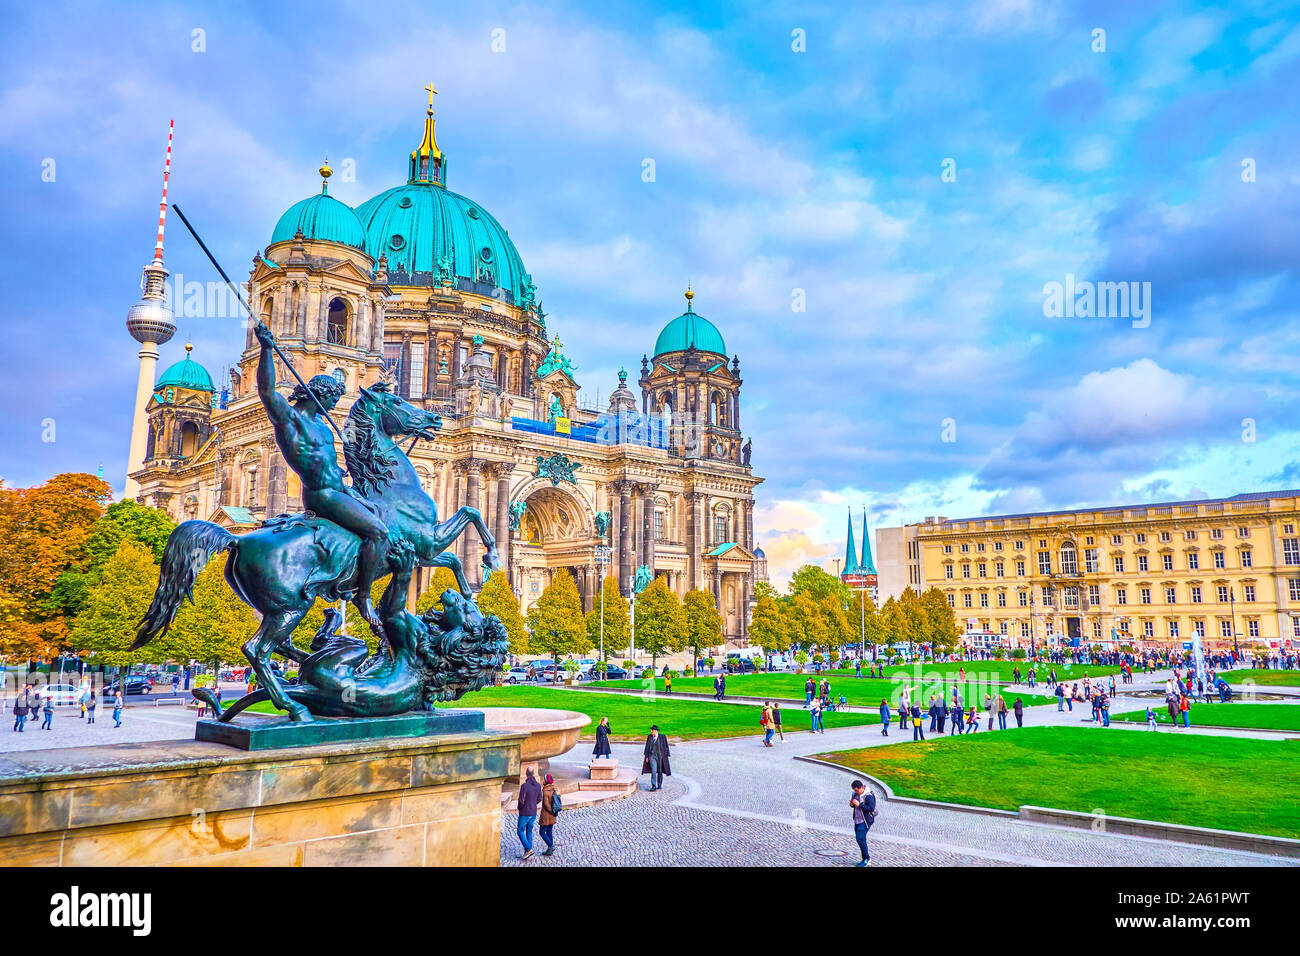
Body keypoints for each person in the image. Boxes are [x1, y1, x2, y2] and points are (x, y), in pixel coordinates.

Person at [254, 322, 389, 629]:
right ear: (319, 395)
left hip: (338, 490)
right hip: (323, 496)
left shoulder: (325, 427)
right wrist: (265, 349)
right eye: (332, 399)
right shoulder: (291, 421)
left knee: (385, 517)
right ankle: (364, 596)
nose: (335, 404)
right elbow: (266, 391)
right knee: (378, 532)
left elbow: (330, 466)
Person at [849, 780, 877, 867]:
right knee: (860, 839)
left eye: (857, 790)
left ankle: (867, 859)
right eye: (854, 790)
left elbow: (871, 808)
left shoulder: (868, 796)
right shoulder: (855, 793)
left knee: (860, 839)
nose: (855, 792)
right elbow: (854, 805)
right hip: (857, 820)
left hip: (865, 821)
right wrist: (852, 804)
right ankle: (865, 858)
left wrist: (860, 804)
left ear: (861, 788)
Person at [516, 767, 542, 860]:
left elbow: (521, 800)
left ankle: (528, 849)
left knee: (520, 831)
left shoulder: (525, 786)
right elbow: (539, 798)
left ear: (526, 774)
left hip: (525, 812)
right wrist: (533, 804)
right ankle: (528, 851)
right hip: (533, 812)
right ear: (533, 773)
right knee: (529, 831)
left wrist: (520, 808)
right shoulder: (538, 785)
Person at [641, 725, 671, 791]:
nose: (651, 731)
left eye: (653, 730)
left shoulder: (662, 737)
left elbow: (666, 746)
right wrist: (646, 756)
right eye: (651, 730)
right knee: (653, 770)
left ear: (656, 731)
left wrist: (667, 755)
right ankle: (653, 786)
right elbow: (647, 747)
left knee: (660, 771)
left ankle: (659, 784)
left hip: (660, 757)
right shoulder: (649, 737)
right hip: (652, 756)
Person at [538, 772, 559, 856]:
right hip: (553, 814)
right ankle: (550, 850)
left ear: (546, 781)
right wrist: (554, 812)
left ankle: (551, 845)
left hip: (546, 815)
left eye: (544, 779)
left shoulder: (545, 791)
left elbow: (546, 804)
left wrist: (550, 811)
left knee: (542, 832)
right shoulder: (554, 789)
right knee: (549, 831)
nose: (543, 780)